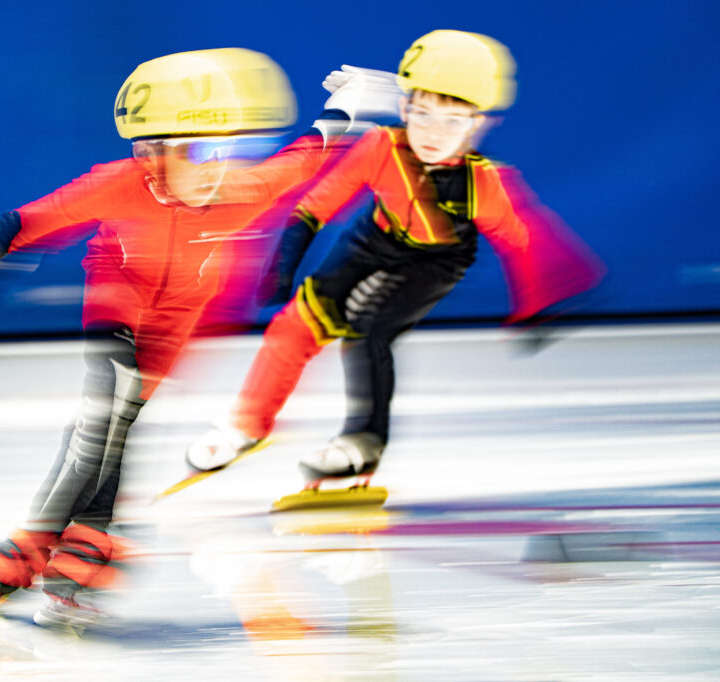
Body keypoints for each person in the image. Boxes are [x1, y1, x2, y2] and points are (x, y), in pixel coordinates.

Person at [0, 47, 374, 629]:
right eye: (197, 151)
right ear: (150, 153)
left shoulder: (245, 187)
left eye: (224, 150)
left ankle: (86, 544)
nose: (216, 168)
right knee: (103, 422)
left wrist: (344, 107)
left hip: (173, 328)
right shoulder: (120, 184)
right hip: (118, 309)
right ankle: (33, 550)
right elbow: (20, 225)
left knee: (107, 431)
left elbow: (308, 152)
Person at [185, 31, 604, 488]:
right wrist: (284, 264)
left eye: (451, 122)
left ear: (477, 125)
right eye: (422, 115)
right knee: (294, 326)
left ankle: (363, 443)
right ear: (404, 110)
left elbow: (521, 243)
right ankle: (248, 424)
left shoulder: (485, 183)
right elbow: (315, 208)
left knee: (369, 329)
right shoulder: (379, 147)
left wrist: (535, 308)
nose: (431, 132)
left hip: (435, 261)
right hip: (372, 240)